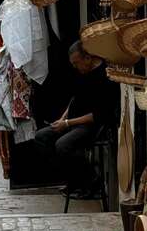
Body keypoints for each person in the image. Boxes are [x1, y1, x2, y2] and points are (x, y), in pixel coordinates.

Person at [34, 40, 120, 192]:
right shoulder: (81, 73)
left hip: (91, 124)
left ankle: (91, 179)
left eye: (76, 63)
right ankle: (74, 178)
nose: (75, 67)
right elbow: (75, 99)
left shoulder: (105, 76)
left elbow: (98, 115)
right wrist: (62, 119)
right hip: (72, 121)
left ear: (87, 58)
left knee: (63, 145)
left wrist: (67, 123)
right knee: (42, 136)